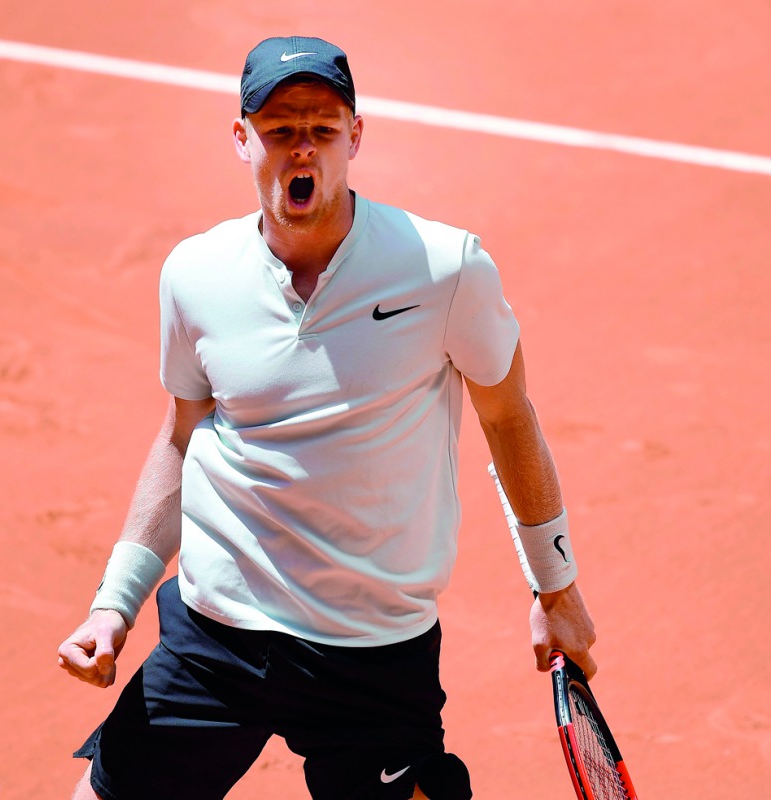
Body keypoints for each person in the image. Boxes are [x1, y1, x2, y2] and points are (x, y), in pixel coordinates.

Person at [57, 35, 597, 800]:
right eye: (280, 130)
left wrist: (557, 589)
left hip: (372, 650)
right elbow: (182, 436)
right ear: (241, 139)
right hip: (215, 631)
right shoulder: (195, 275)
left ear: (356, 137)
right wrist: (114, 605)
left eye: (322, 127)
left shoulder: (446, 269)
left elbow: (508, 418)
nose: (301, 148)